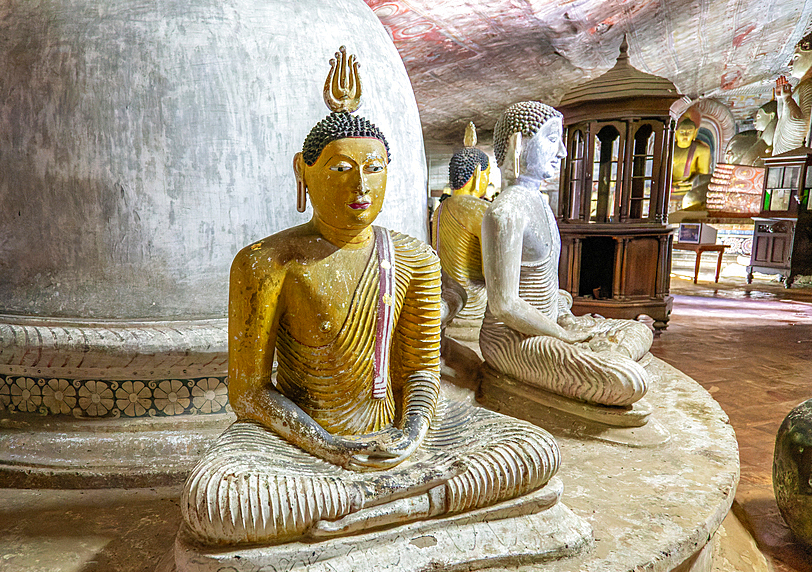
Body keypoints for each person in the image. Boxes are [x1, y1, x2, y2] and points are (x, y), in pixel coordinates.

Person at [181, 49, 559, 546]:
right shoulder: (264, 262)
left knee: (533, 450)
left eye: (374, 168)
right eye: (340, 169)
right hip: (303, 443)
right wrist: (331, 447)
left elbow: (421, 370)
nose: (361, 184)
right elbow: (249, 393)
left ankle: (368, 507)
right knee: (220, 503)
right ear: (304, 172)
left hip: (399, 435)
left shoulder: (414, 258)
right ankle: (409, 502)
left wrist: (411, 434)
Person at [479, 101, 653, 409]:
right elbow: (504, 305)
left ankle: (604, 354)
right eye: (550, 138)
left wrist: (566, 317)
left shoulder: (541, 204)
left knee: (639, 329)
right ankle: (605, 357)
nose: (561, 151)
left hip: (549, 324)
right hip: (512, 338)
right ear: (519, 143)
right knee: (629, 381)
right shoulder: (505, 211)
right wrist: (563, 335)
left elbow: (544, 285)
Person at [431, 122, 492, 332]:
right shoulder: (481, 209)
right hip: (473, 304)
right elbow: (492, 274)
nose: (488, 181)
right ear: (477, 174)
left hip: (444, 295)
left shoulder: (440, 209)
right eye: (487, 175)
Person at [774, 30, 812, 156]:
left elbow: (800, 123)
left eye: (795, 58)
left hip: (793, 154)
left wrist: (787, 99)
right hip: (784, 153)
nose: (790, 65)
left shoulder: (808, 86)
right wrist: (781, 99)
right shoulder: (803, 86)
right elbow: (783, 119)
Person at [670, 116, 712, 211]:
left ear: (694, 134)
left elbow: (702, 176)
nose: (685, 135)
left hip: (689, 187)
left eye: (689, 132)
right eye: (682, 132)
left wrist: (689, 183)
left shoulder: (701, 150)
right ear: (675, 133)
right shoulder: (667, 149)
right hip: (671, 186)